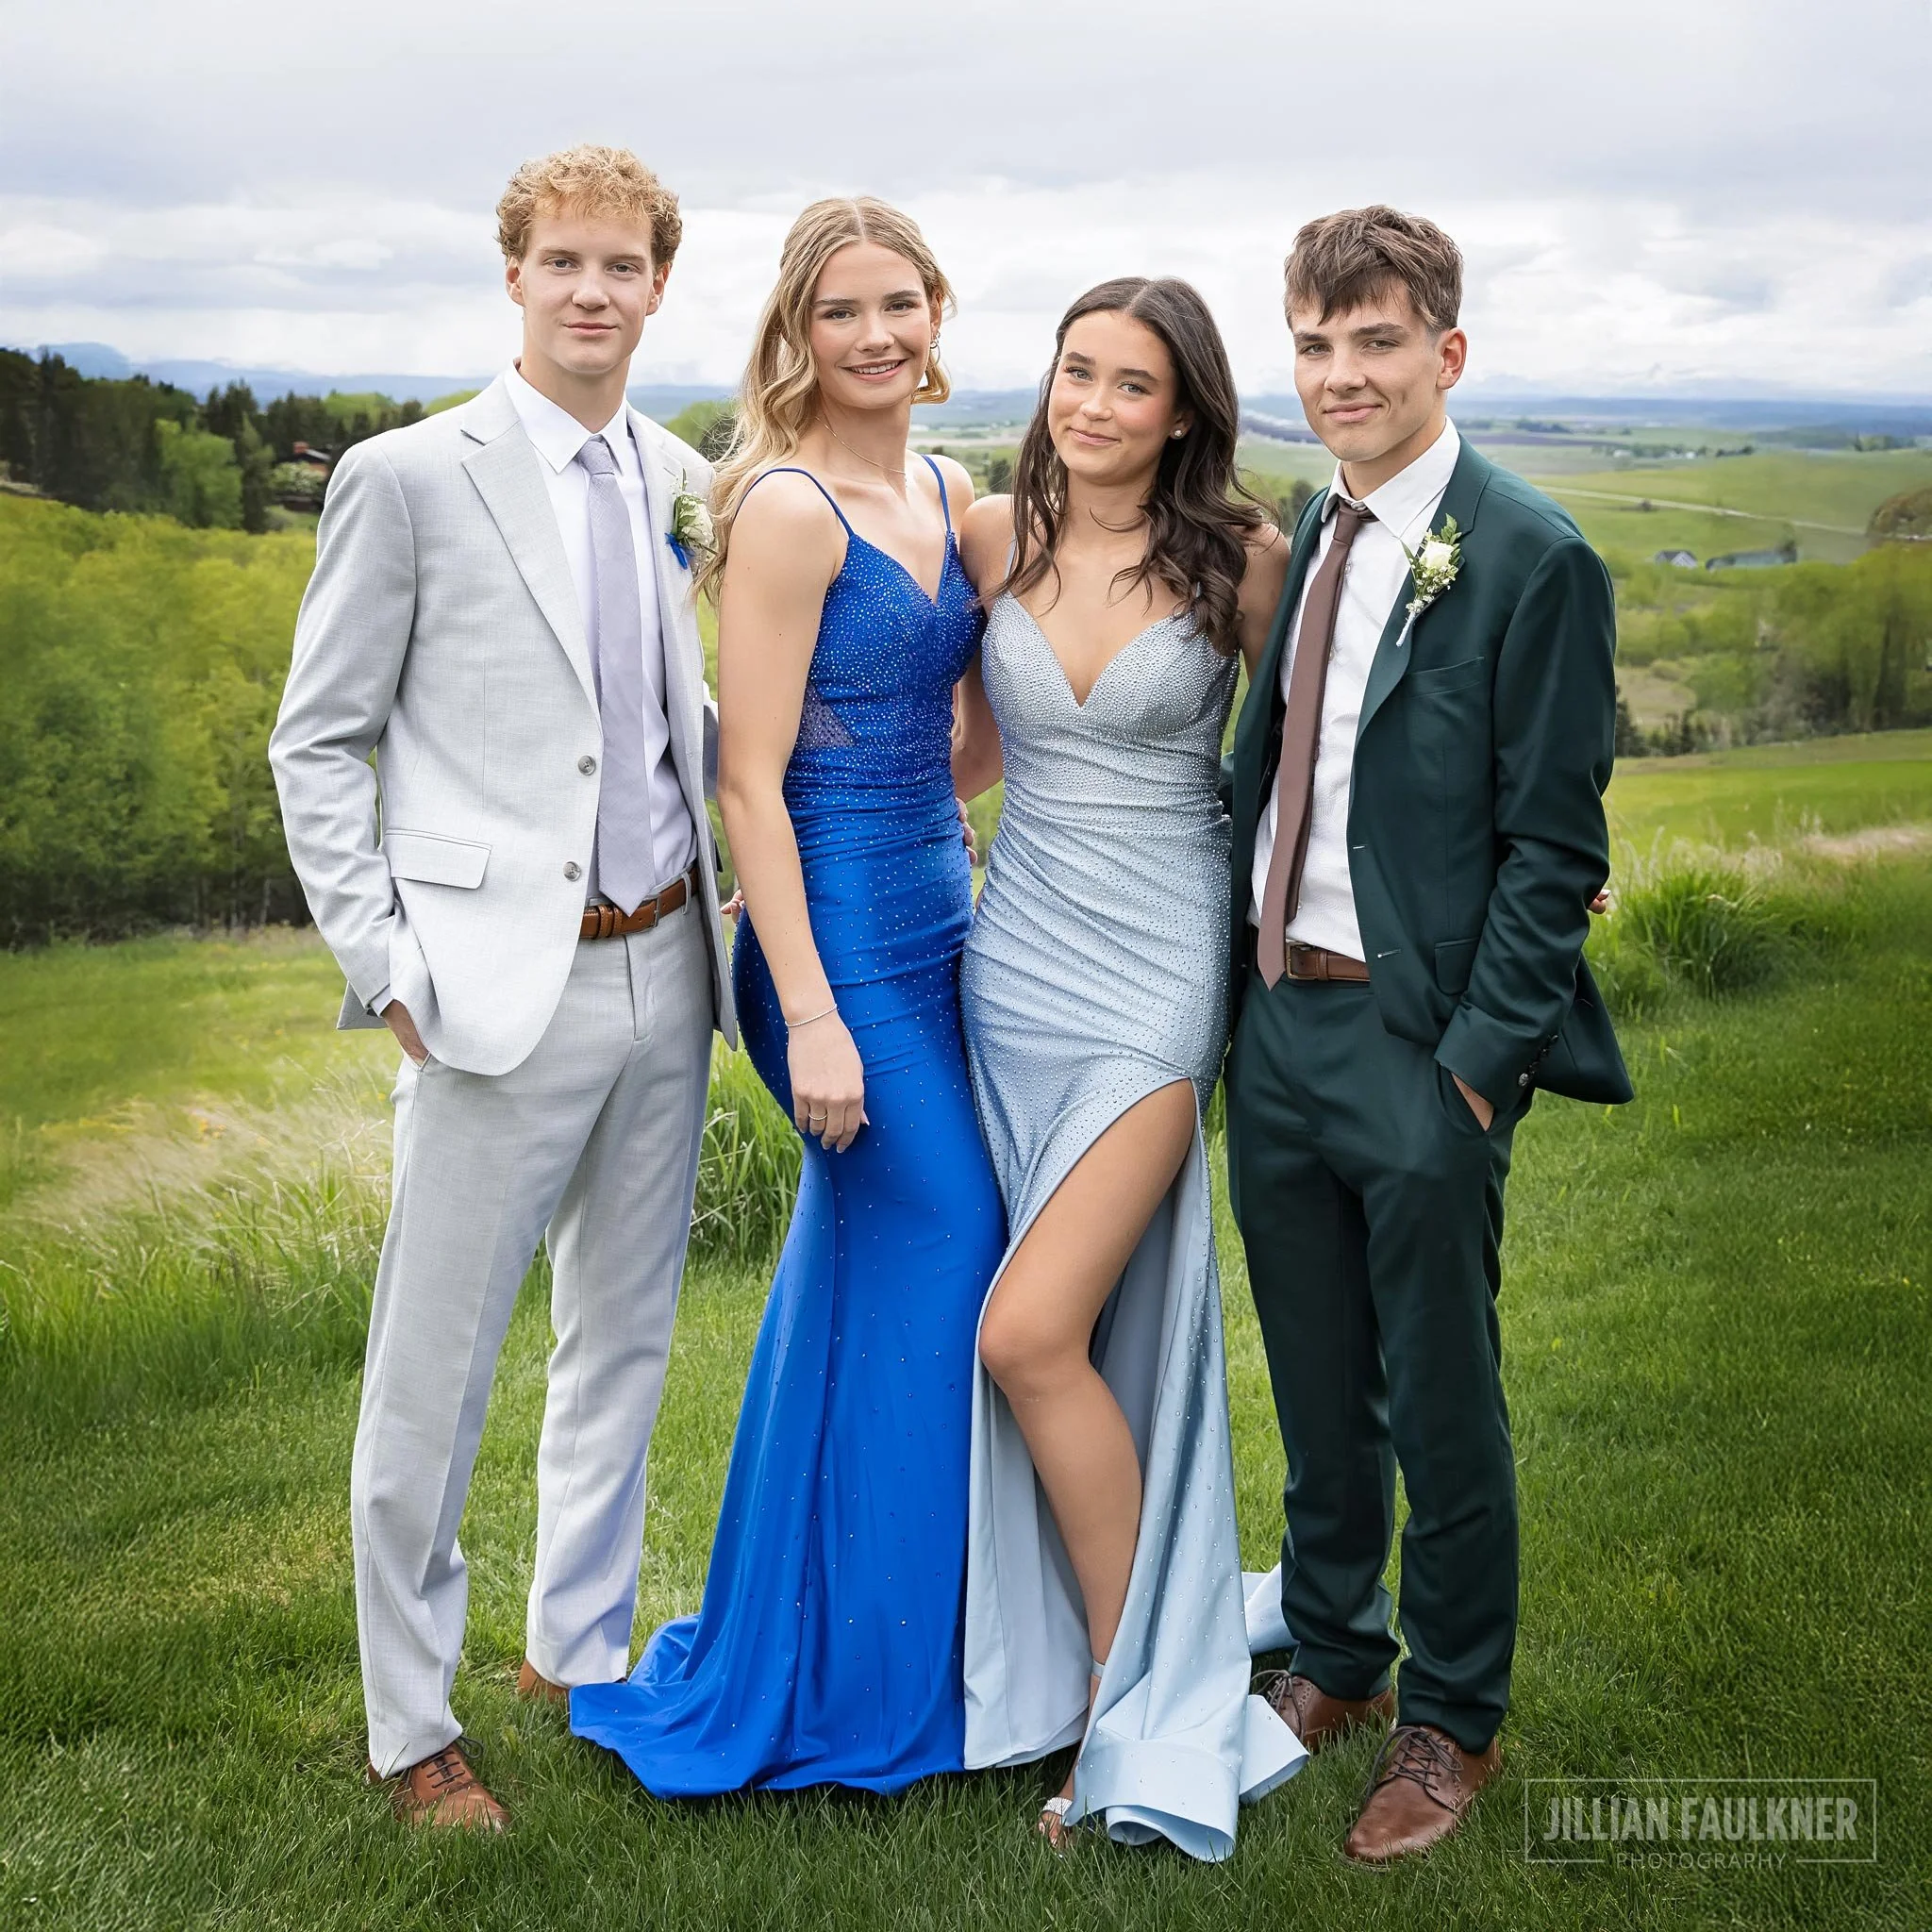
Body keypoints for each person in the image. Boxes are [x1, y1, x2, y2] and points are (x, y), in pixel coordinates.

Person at [269, 145, 735, 1831]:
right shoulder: (409, 476)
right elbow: (317, 739)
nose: (595, 291)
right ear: (517, 277)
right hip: (480, 987)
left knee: (623, 1333)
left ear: (660, 286)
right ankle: (413, 1726)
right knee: (435, 1367)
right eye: (565, 263)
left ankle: (578, 1648)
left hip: (670, 960)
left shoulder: (693, 479)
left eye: (624, 265)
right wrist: (383, 959)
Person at [570, 198, 1008, 1793]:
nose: (877, 334)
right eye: (843, 312)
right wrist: (810, 1014)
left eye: (902, 302)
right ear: (795, 333)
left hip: (945, 927)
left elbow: (968, 734)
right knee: (952, 1250)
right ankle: (872, 1689)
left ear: (939, 312)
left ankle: (862, 1635)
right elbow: (748, 783)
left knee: (876, 1279)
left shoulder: (954, 494)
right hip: (829, 965)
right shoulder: (787, 509)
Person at [1224, 206, 1633, 1862]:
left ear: (1445, 354)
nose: (1341, 375)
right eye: (1316, 344)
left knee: (1443, 1398)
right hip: (1276, 1034)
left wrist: (1475, 1063)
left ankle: (1451, 1719)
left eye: (1375, 340)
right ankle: (1332, 1655)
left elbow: (1557, 851)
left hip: (1421, 1052)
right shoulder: (1302, 540)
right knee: (1320, 1386)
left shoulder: (1529, 558)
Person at [950, 277, 1305, 1858]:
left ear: (1185, 411)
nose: (1094, 405)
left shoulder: (1244, 562)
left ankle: (1126, 1697)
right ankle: (1102, 1617)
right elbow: (966, 749)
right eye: (1075, 372)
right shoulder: (987, 540)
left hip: (1159, 978)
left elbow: (1323, 757)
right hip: (1009, 961)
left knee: (1028, 1333)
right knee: (1084, 1327)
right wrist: (809, 851)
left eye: (1133, 384)